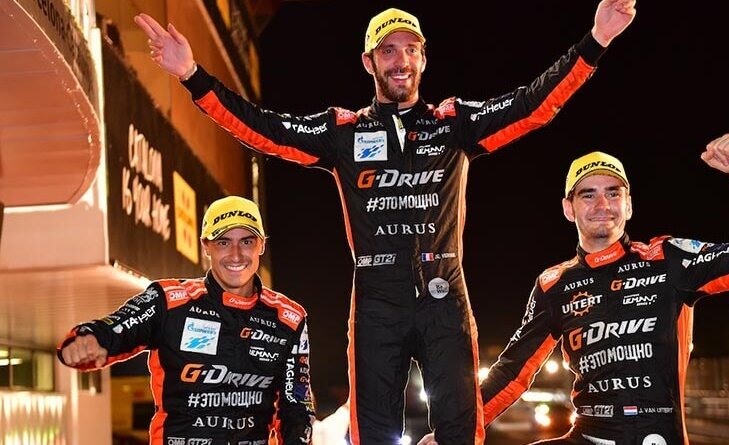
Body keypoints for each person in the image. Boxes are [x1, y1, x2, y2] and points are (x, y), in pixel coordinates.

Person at [133, 2, 636, 443]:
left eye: (411, 49)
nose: (401, 61)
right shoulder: (343, 132)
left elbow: (533, 105)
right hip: (377, 301)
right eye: (388, 51)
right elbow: (263, 130)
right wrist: (193, 76)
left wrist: (596, 41)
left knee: (461, 431)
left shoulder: (454, 123)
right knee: (373, 433)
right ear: (368, 62)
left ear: (424, 58)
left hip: (445, 294)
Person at [420, 134, 729, 445]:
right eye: (588, 195)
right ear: (569, 209)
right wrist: (452, 433)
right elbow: (511, 373)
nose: (602, 205)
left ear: (629, 205)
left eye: (613, 193)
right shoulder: (554, 284)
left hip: (653, 435)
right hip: (586, 434)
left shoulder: (668, 259)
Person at [57, 196, 315, 445]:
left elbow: (297, 408)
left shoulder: (289, 319)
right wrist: (88, 339)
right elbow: (116, 328)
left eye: (247, 242)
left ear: (262, 245)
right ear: (206, 246)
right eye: (223, 242)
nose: (236, 255)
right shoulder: (170, 301)